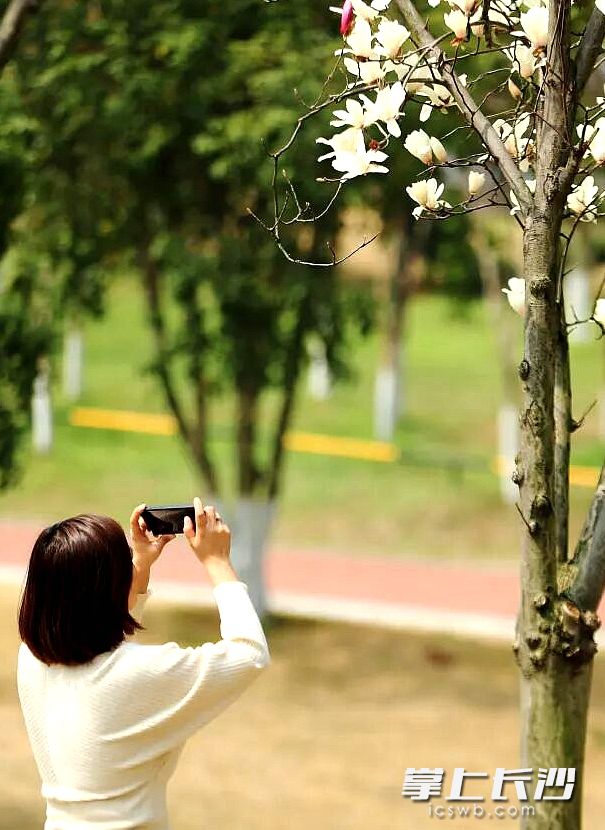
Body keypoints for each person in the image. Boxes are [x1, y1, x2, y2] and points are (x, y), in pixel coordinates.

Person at [16, 496, 271, 830]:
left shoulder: (33, 660)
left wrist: (138, 566)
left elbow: (100, 638)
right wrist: (217, 562)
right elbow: (249, 653)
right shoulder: (137, 673)